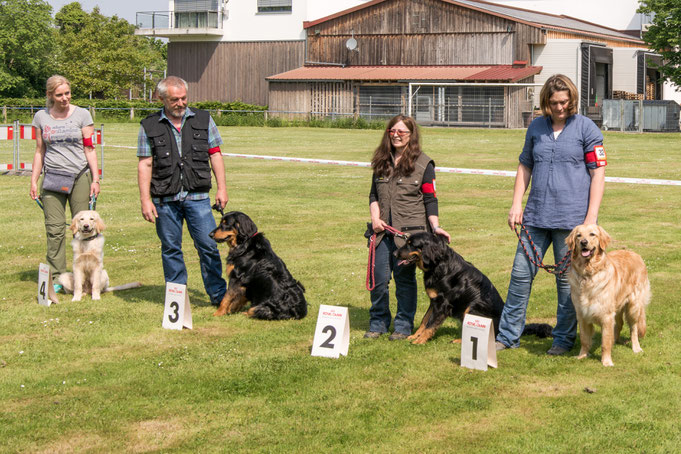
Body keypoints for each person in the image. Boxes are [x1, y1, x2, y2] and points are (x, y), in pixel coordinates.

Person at [495, 74, 606, 355]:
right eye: (554, 103)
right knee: (520, 276)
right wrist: (516, 204)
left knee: (566, 283)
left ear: (572, 100)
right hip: (534, 217)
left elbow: (598, 174)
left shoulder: (587, 129)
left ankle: (562, 340)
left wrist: (590, 219)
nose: (559, 108)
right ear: (546, 102)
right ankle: (507, 336)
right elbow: (525, 167)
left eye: (565, 102)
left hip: (571, 223)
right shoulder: (535, 128)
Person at [137, 76, 227, 305]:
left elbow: (215, 154)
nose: (180, 103)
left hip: (198, 197)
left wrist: (222, 189)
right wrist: (145, 200)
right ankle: (176, 299)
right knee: (171, 249)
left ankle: (218, 295)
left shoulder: (204, 119)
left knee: (208, 246)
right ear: (161, 99)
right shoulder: (149, 125)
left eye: (184, 98)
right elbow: (145, 163)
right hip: (164, 199)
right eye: (174, 99)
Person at [365, 115, 451, 341]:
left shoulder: (424, 163)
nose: (396, 135)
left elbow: (430, 199)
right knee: (379, 279)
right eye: (392, 131)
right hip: (381, 233)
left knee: (404, 280)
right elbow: (374, 194)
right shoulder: (381, 161)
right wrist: (375, 218)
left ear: (411, 135)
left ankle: (403, 325)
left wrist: (436, 226)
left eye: (401, 132)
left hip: (409, 236)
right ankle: (378, 323)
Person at [30, 75, 101, 292]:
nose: (64, 98)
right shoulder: (41, 117)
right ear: (50, 95)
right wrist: (34, 180)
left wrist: (95, 178)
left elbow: (90, 148)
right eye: (59, 95)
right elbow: (39, 150)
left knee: (84, 228)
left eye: (67, 93)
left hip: (79, 176)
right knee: (54, 230)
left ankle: (88, 276)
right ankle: (58, 278)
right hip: (52, 179)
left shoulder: (82, 114)